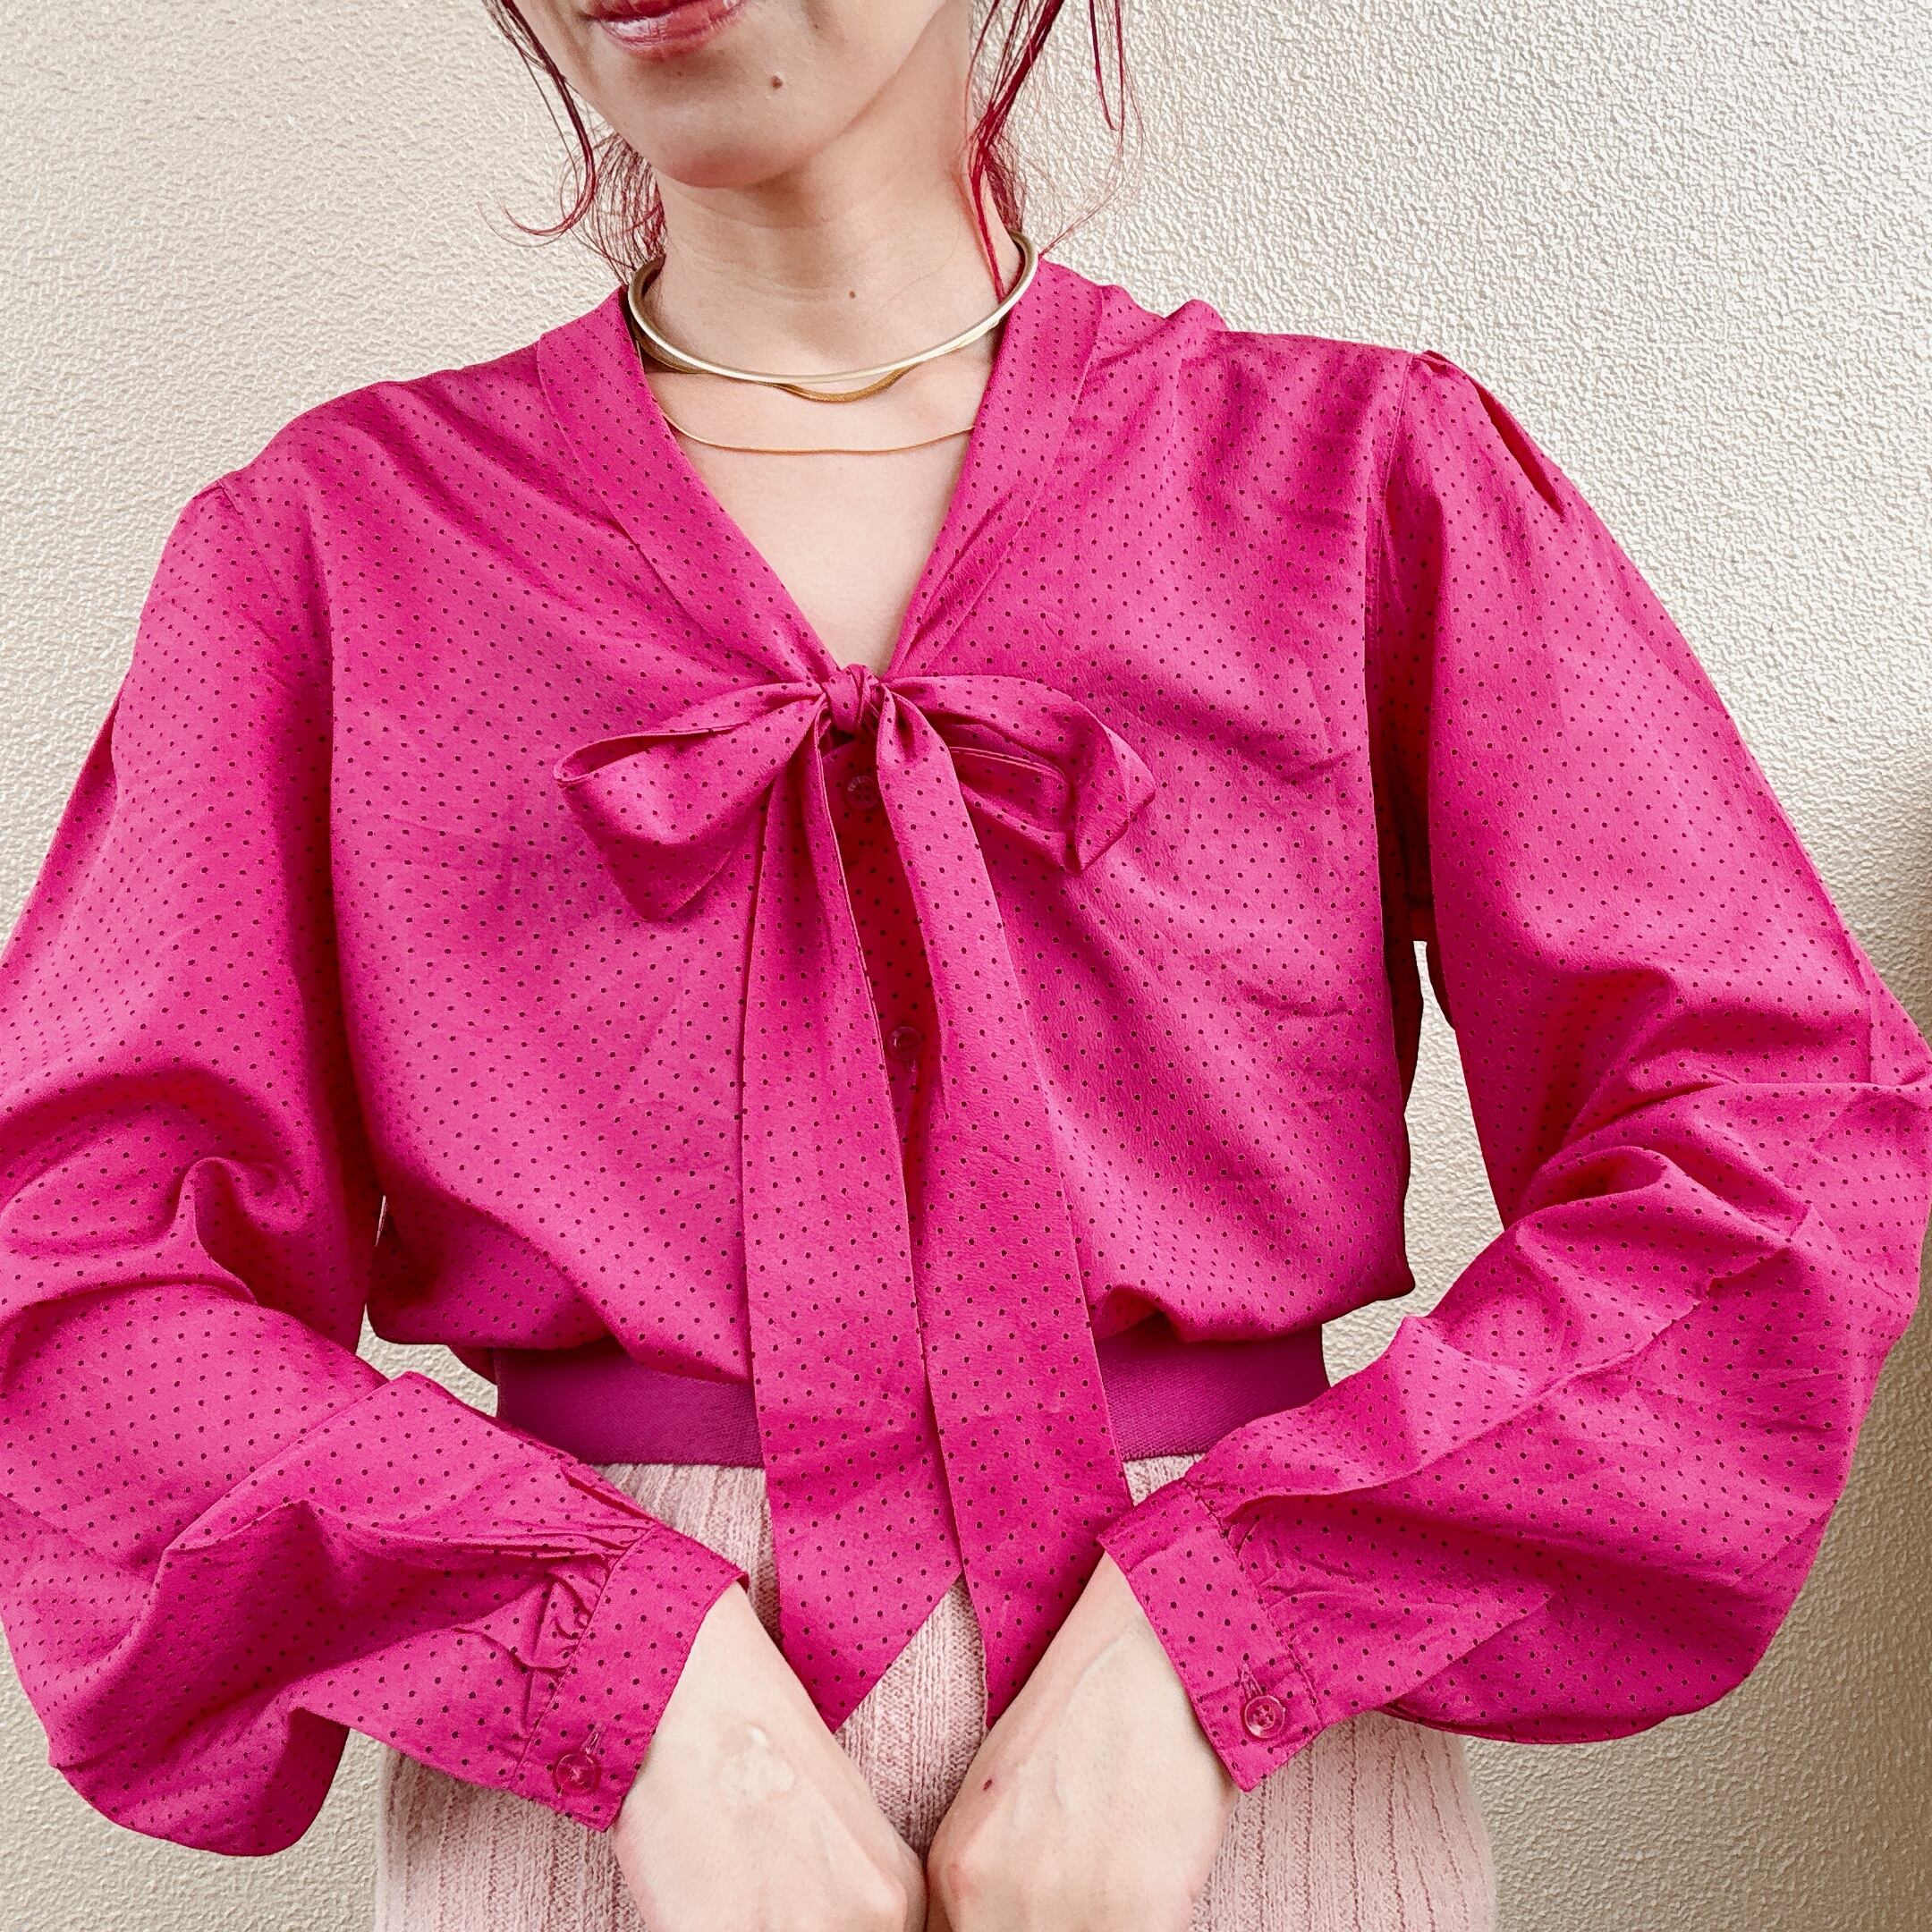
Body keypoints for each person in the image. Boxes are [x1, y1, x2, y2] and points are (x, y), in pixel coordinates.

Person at [3, 3, 1928, 1928]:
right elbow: (73, 1261)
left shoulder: (1356, 481)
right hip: (586, 1831)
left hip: (1261, 1806)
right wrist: (614, 1673)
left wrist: (1228, 1630)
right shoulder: (339, 551)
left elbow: (1780, 1129)